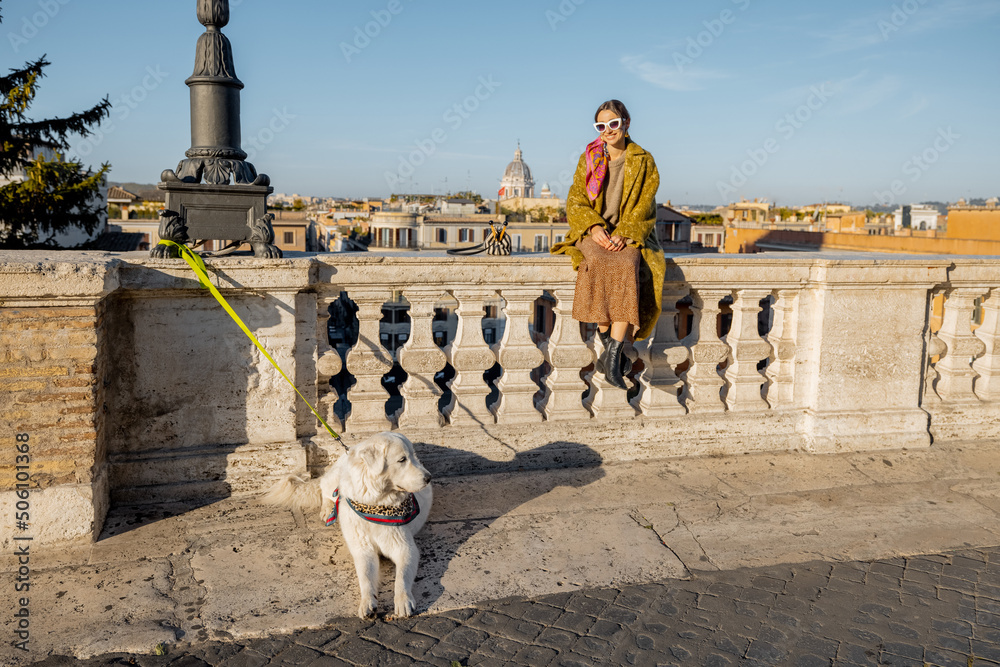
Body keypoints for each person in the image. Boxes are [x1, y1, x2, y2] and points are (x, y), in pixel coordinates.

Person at [551, 100, 665, 390]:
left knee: (627, 263)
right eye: (601, 126)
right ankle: (616, 357)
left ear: (626, 123)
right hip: (592, 231)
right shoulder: (588, 158)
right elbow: (575, 200)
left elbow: (645, 205)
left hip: (628, 232)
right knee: (599, 262)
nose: (607, 130)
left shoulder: (644, 160)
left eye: (613, 123)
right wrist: (593, 226)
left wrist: (626, 232)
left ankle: (611, 358)